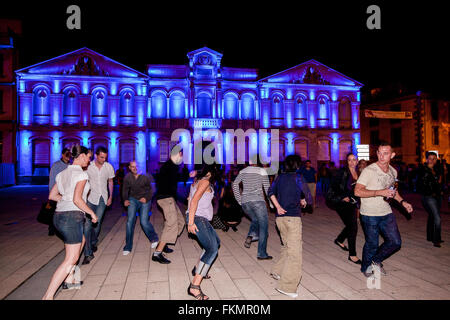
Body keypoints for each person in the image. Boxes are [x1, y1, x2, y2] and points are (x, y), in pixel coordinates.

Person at [42, 145, 98, 300]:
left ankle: (69, 279)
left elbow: (53, 195)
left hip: (59, 216)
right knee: (71, 258)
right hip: (71, 217)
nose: (89, 160)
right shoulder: (81, 175)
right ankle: (48, 296)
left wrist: (66, 200)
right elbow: (77, 199)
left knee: (82, 241)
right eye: (88, 156)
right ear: (81, 156)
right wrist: (92, 212)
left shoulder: (62, 174)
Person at [354, 142, 413, 277]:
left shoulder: (393, 171)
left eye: (385, 153)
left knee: (395, 242)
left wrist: (403, 202)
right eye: (379, 153)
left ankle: (375, 260)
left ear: (392, 155)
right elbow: (357, 191)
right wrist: (380, 192)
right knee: (372, 243)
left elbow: (392, 191)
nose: (381, 156)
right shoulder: (369, 171)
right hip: (369, 213)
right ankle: (366, 268)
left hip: (386, 212)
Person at [268, 155, 306, 298]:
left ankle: (277, 271)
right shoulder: (298, 177)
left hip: (280, 219)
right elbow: (306, 195)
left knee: (287, 246)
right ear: (297, 165)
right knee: (295, 253)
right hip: (293, 219)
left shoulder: (280, 177)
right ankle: (287, 287)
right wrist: (304, 201)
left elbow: (270, 192)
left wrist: (277, 206)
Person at [187, 164, 220, 300]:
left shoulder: (197, 181)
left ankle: (198, 268)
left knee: (216, 243)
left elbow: (189, 199)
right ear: (212, 173)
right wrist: (190, 222)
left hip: (201, 218)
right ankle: (194, 287)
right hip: (198, 218)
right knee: (212, 249)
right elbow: (194, 201)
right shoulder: (205, 182)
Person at [232, 160, 272, 260]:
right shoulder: (262, 171)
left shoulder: (243, 171)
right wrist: (271, 203)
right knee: (263, 228)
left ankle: (251, 235)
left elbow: (235, 184)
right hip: (258, 201)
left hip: (245, 202)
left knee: (255, 219)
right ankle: (261, 253)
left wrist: (239, 200)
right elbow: (267, 189)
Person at [82, 146, 115, 265]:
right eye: (101, 157)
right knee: (87, 225)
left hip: (102, 199)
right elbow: (83, 181)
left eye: (105, 157)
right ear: (96, 155)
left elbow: (110, 182)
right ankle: (88, 253)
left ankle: (93, 241)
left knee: (97, 223)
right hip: (90, 199)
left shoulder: (108, 167)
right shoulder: (88, 166)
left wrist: (110, 196)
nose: (103, 159)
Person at [153, 145, 186, 264]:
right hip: (166, 199)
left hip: (169, 198)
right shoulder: (168, 167)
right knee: (172, 224)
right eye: (181, 154)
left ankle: (164, 242)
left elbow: (175, 181)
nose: (182, 157)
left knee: (180, 222)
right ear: (175, 154)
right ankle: (157, 253)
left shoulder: (172, 167)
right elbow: (168, 185)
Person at [328, 153, 362, 264]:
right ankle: (352, 255)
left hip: (352, 202)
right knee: (353, 227)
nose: (352, 162)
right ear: (346, 161)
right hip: (341, 203)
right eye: (349, 160)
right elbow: (333, 187)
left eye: (354, 160)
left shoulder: (359, 173)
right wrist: (343, 197)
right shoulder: (342, 172)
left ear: (357, 161)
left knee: (351, 225)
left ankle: (339, 240)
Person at [122, 161, 159, 255]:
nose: (135, 168)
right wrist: (125, 199)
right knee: (130, 221)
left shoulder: (146, 176)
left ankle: (154, 238)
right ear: (129, 168)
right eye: (132, 167)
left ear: (139, 166)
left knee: (143, 221)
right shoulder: (127, 177)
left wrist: (146, 198)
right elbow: (125, 190)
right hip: (133, 199)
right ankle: (128, 246)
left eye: (136, 166)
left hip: (145, 199)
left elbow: (152, 189)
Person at [417, 152, 443, 247]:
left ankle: (430, 236)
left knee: (432, 215)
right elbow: (421, 184)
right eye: (430, 158)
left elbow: (439, 182)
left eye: (434, 158)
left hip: (438, 196)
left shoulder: (437, 169)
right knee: (437, 217)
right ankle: (437, 239)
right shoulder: (423, 170)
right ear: (427, 159)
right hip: (428, 196)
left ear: (436, 160)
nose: (432, 160)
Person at [47, 148, 71, 236]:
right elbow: (52, 179)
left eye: (70, 155)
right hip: (57, 192)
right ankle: (51, 228)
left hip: (67, 192)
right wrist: (51, 193)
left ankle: (63, 229)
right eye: (66, 155)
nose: (68, 157)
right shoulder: (56, 165)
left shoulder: (70, 165)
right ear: (62, 155)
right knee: (54, 211)